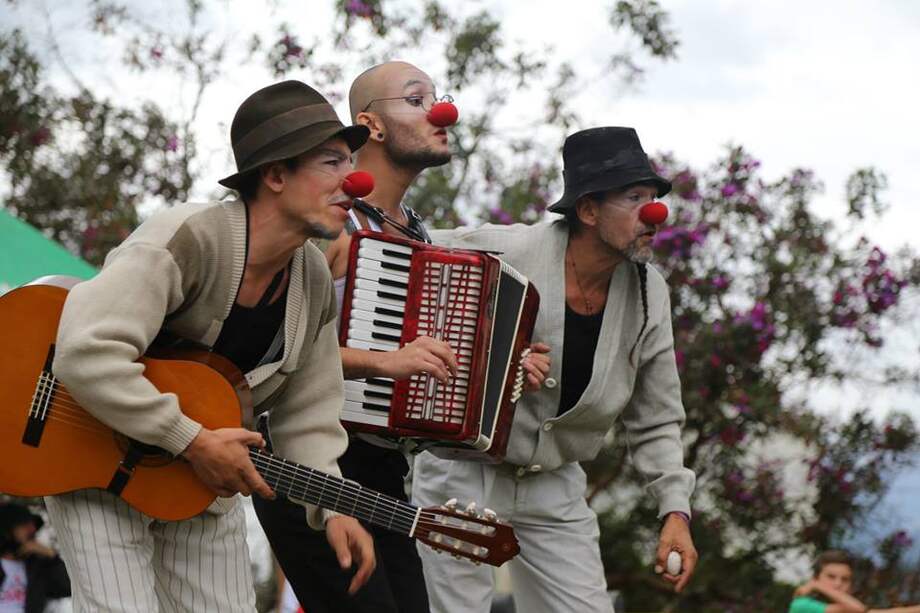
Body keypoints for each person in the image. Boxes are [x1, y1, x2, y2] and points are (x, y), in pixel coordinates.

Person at [44, 80, 375, 612]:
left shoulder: (312, 278)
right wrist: (192, 439)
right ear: (274, 174)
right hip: (92, 461)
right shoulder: (185, 237)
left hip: (199, 489)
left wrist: (334, 507)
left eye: (350, 162)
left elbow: (308, 416)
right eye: (332, 162)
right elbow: (86, 351)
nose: (356, 182)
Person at [254, 60, 549, 613]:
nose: (442, 113)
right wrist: (380, 363)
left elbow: (423, 368)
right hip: (306, 455)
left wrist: (504, 366)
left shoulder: (416, 233)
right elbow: (277, 355)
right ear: (373, 125)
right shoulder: (332, 225)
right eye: (417, 100)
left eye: (439, 97)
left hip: (385, 468)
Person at [412, 127, 699, 612]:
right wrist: (494, 358)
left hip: (555, 483)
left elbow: (656, 416)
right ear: (588, 211)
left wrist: (675, 510)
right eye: (634, 198)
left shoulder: (649, 292)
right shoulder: (503, 251)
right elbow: (403, 255)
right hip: (463, 474)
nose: (654, 215)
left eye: (654, 198)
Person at [790, 550, 920, 613]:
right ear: (816, 577)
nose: (838, 583)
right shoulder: (802, 604)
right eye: (831, 577)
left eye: (845, 579)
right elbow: (859, 609)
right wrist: (819, 586)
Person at [0, 502, 70, 613]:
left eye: (33, 525)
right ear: (7, 530)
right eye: (25, 525)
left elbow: (67, 588)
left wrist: (51, 555)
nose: (32, 530)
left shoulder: (36, 566)